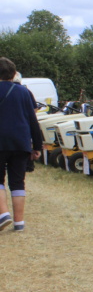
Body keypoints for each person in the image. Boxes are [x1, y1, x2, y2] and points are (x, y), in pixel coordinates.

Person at [0, 57, 43, 232]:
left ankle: (3, 214)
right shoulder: (24, 92)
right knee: (18, 182)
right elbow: (33, 121)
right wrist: (37, 146)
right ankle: (19, 222)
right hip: (21, 141)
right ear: (13, 73)